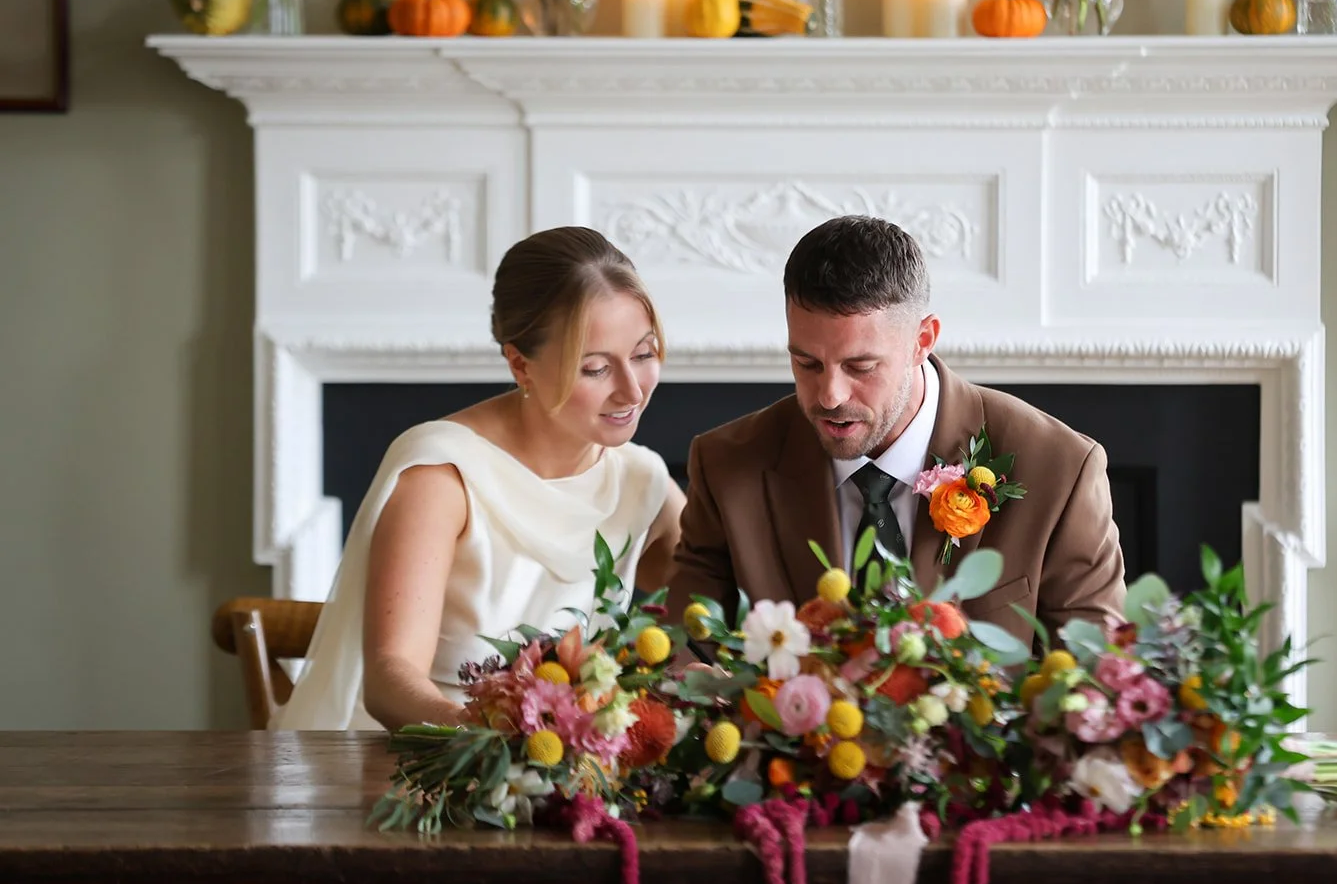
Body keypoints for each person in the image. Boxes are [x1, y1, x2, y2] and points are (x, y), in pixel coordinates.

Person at [272, 228, 683, 730]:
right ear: (520, 365)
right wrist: (493, 738)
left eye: (644, 354)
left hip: (565, 775)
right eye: (595, 368)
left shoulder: (643, 481)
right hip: (416, 767)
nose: (633, 390)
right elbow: (388, 679)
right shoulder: (443, 474)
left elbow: (716, 616)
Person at [667, 215, 1123, 646]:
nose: (829, 395)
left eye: (860, 366)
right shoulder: (726, 465)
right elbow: (687, 653)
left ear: (922, 341)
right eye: (806, 363)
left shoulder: (1061, 470)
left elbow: (1093, 684)